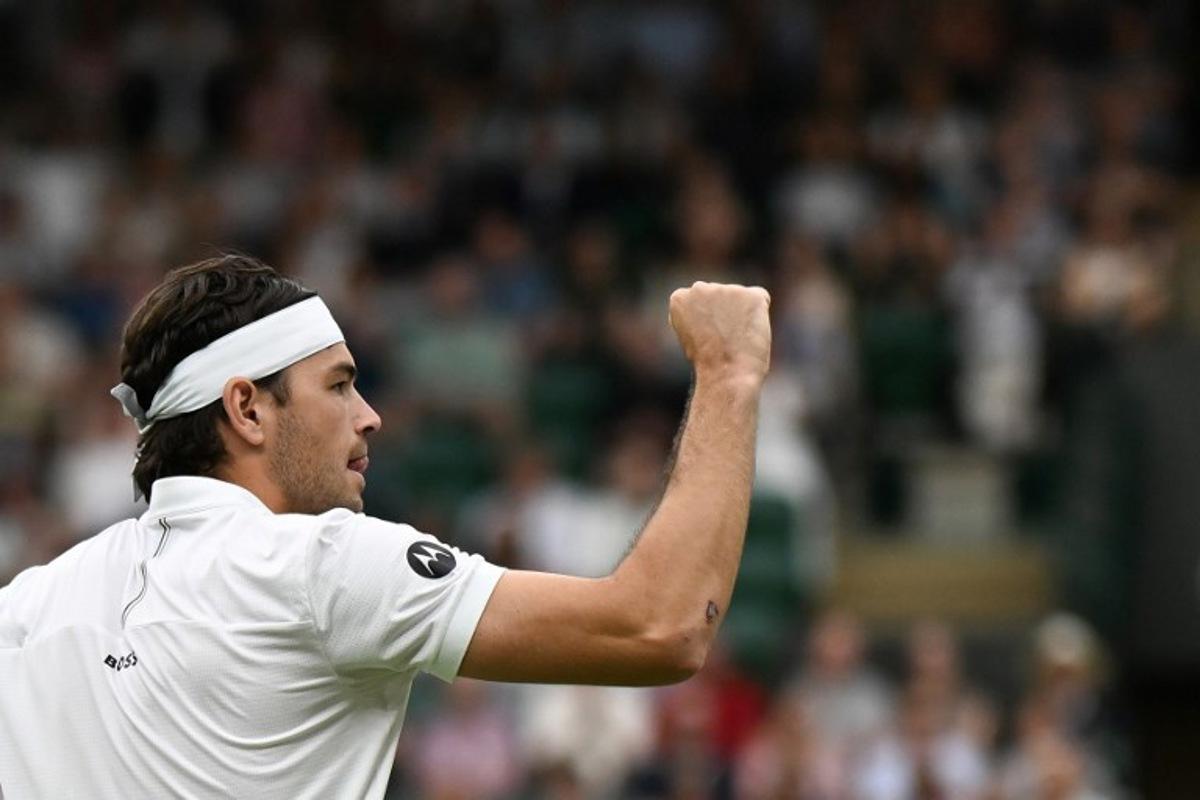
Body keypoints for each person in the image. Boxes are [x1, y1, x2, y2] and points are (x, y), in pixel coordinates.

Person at [0, 254, 772, 798]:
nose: (370, 418)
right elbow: (662, 625)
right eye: (338, 385)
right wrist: (728, 374)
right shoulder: (325, 565)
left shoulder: (27, 607)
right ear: (247, 409)